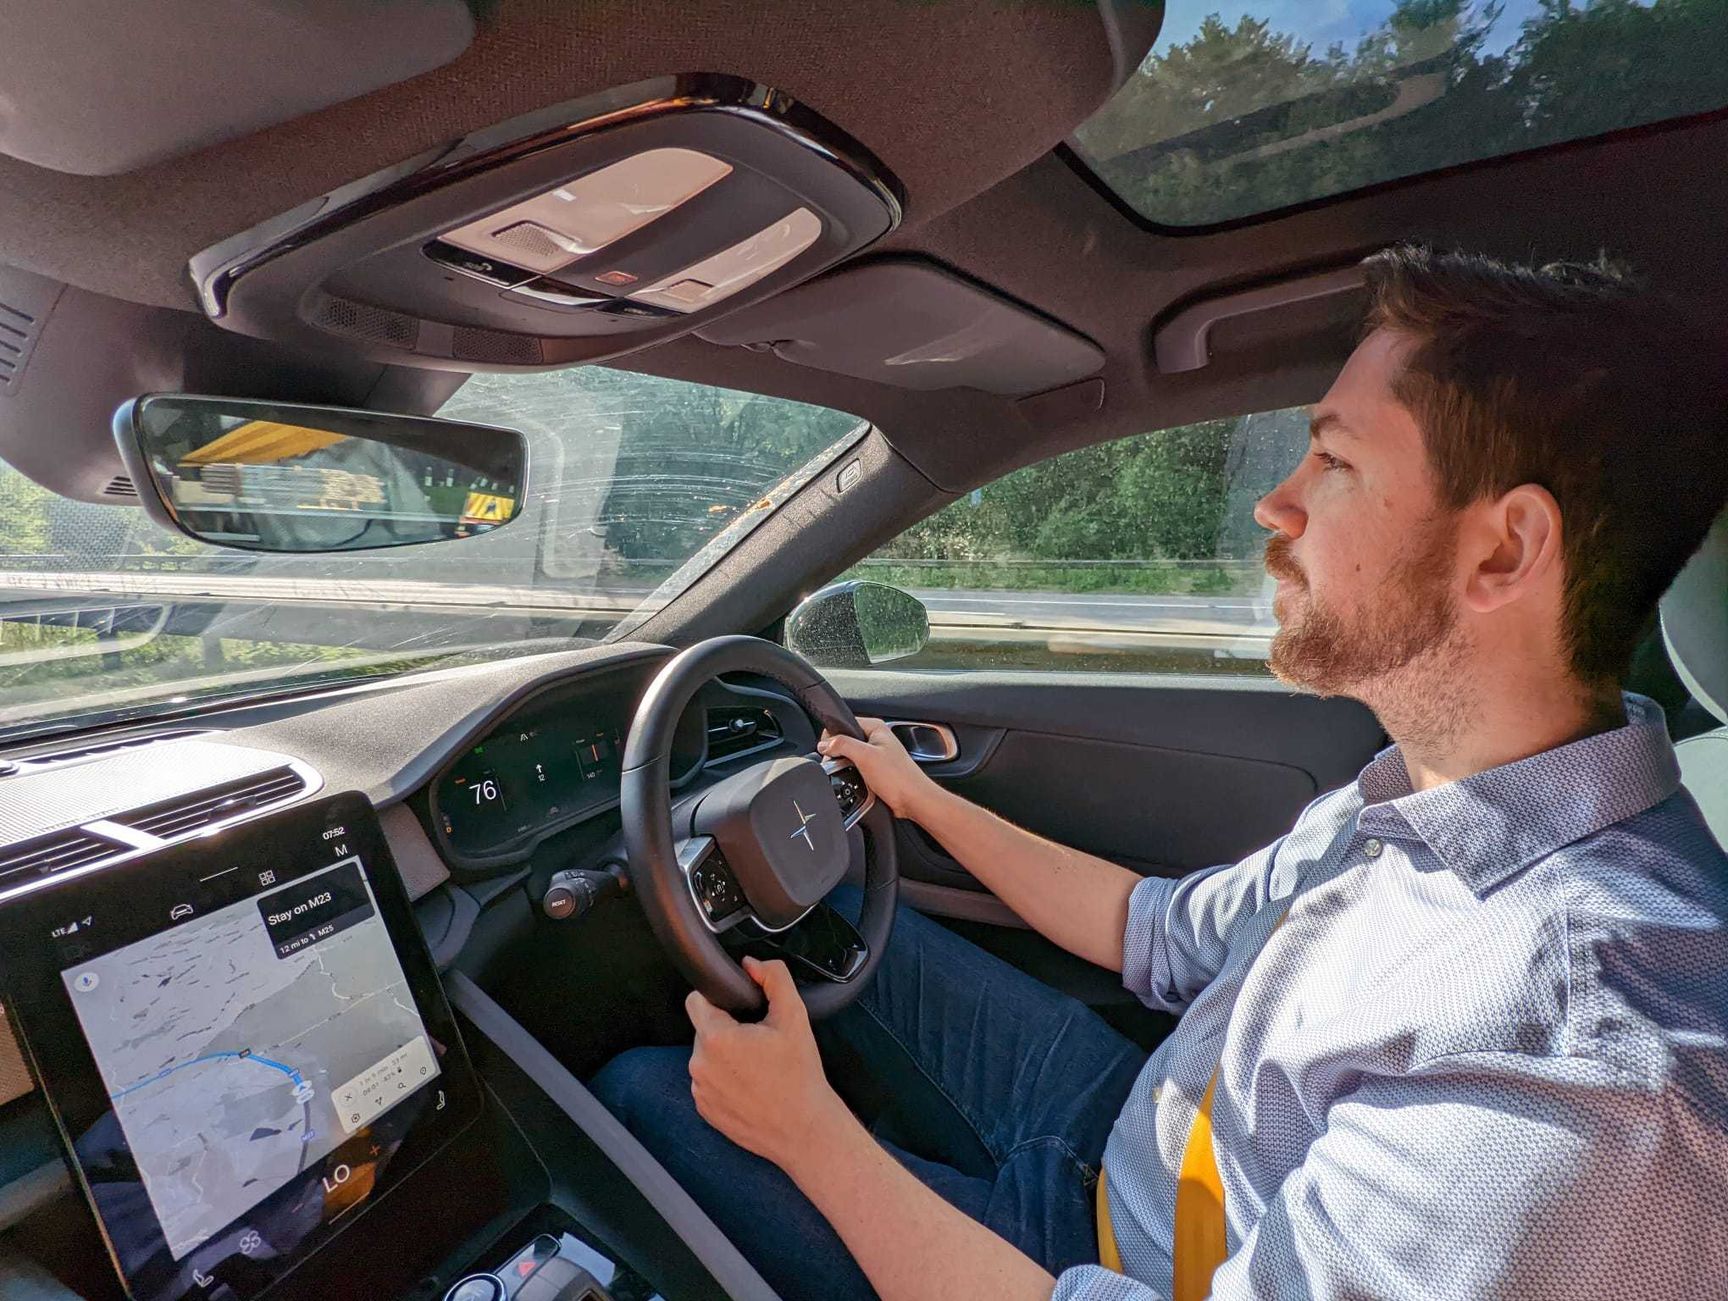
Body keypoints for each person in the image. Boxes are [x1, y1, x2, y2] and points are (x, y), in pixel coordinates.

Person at [592, 247, 1728, 1300]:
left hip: (1104, 1262)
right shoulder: (1425, 798)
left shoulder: (1584, 1073)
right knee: (824, 906)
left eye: (1333, 458)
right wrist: (923, 798)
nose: (1275, 502)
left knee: (641, 1097)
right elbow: (1163, 928)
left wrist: (809, 1135)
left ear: (1503, 551)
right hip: (1131, 1124)